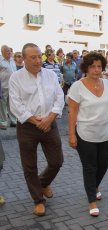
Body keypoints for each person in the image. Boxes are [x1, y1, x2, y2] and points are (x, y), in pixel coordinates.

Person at [8, 43, 64, 216]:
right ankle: (38, 200)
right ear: (23, 59)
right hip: (27, 127)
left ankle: (43, 183)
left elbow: (59, 97)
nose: (38, 60)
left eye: (40, 56)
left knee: (57, 161)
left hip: (50, 123)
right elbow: (15, 104)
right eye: (33, 57)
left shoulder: (50, 75)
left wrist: (50, 118)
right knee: (29, 166)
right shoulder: (15, 78)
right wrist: (34, 120)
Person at [67, 52, 108, 217]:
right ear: (86, 68)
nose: (97, 70)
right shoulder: (77, 86)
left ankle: (95, 186)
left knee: (103, 165)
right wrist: (71, 135)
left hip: (106, 133)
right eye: (93, 66)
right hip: (85, 134)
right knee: (90, 168)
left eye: (99, 66)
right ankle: (91, 200)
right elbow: (72, 113)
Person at [0, 45, 18, 129]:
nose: (9, 52)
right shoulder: (0, 60)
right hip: (3, 86)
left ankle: (13, 121)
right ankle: (3, 122)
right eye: (7, 51)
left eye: (10, 51)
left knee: (11, 104)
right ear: (2, 51)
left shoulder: (12, 60)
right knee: (2, 106)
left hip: (12, 86)